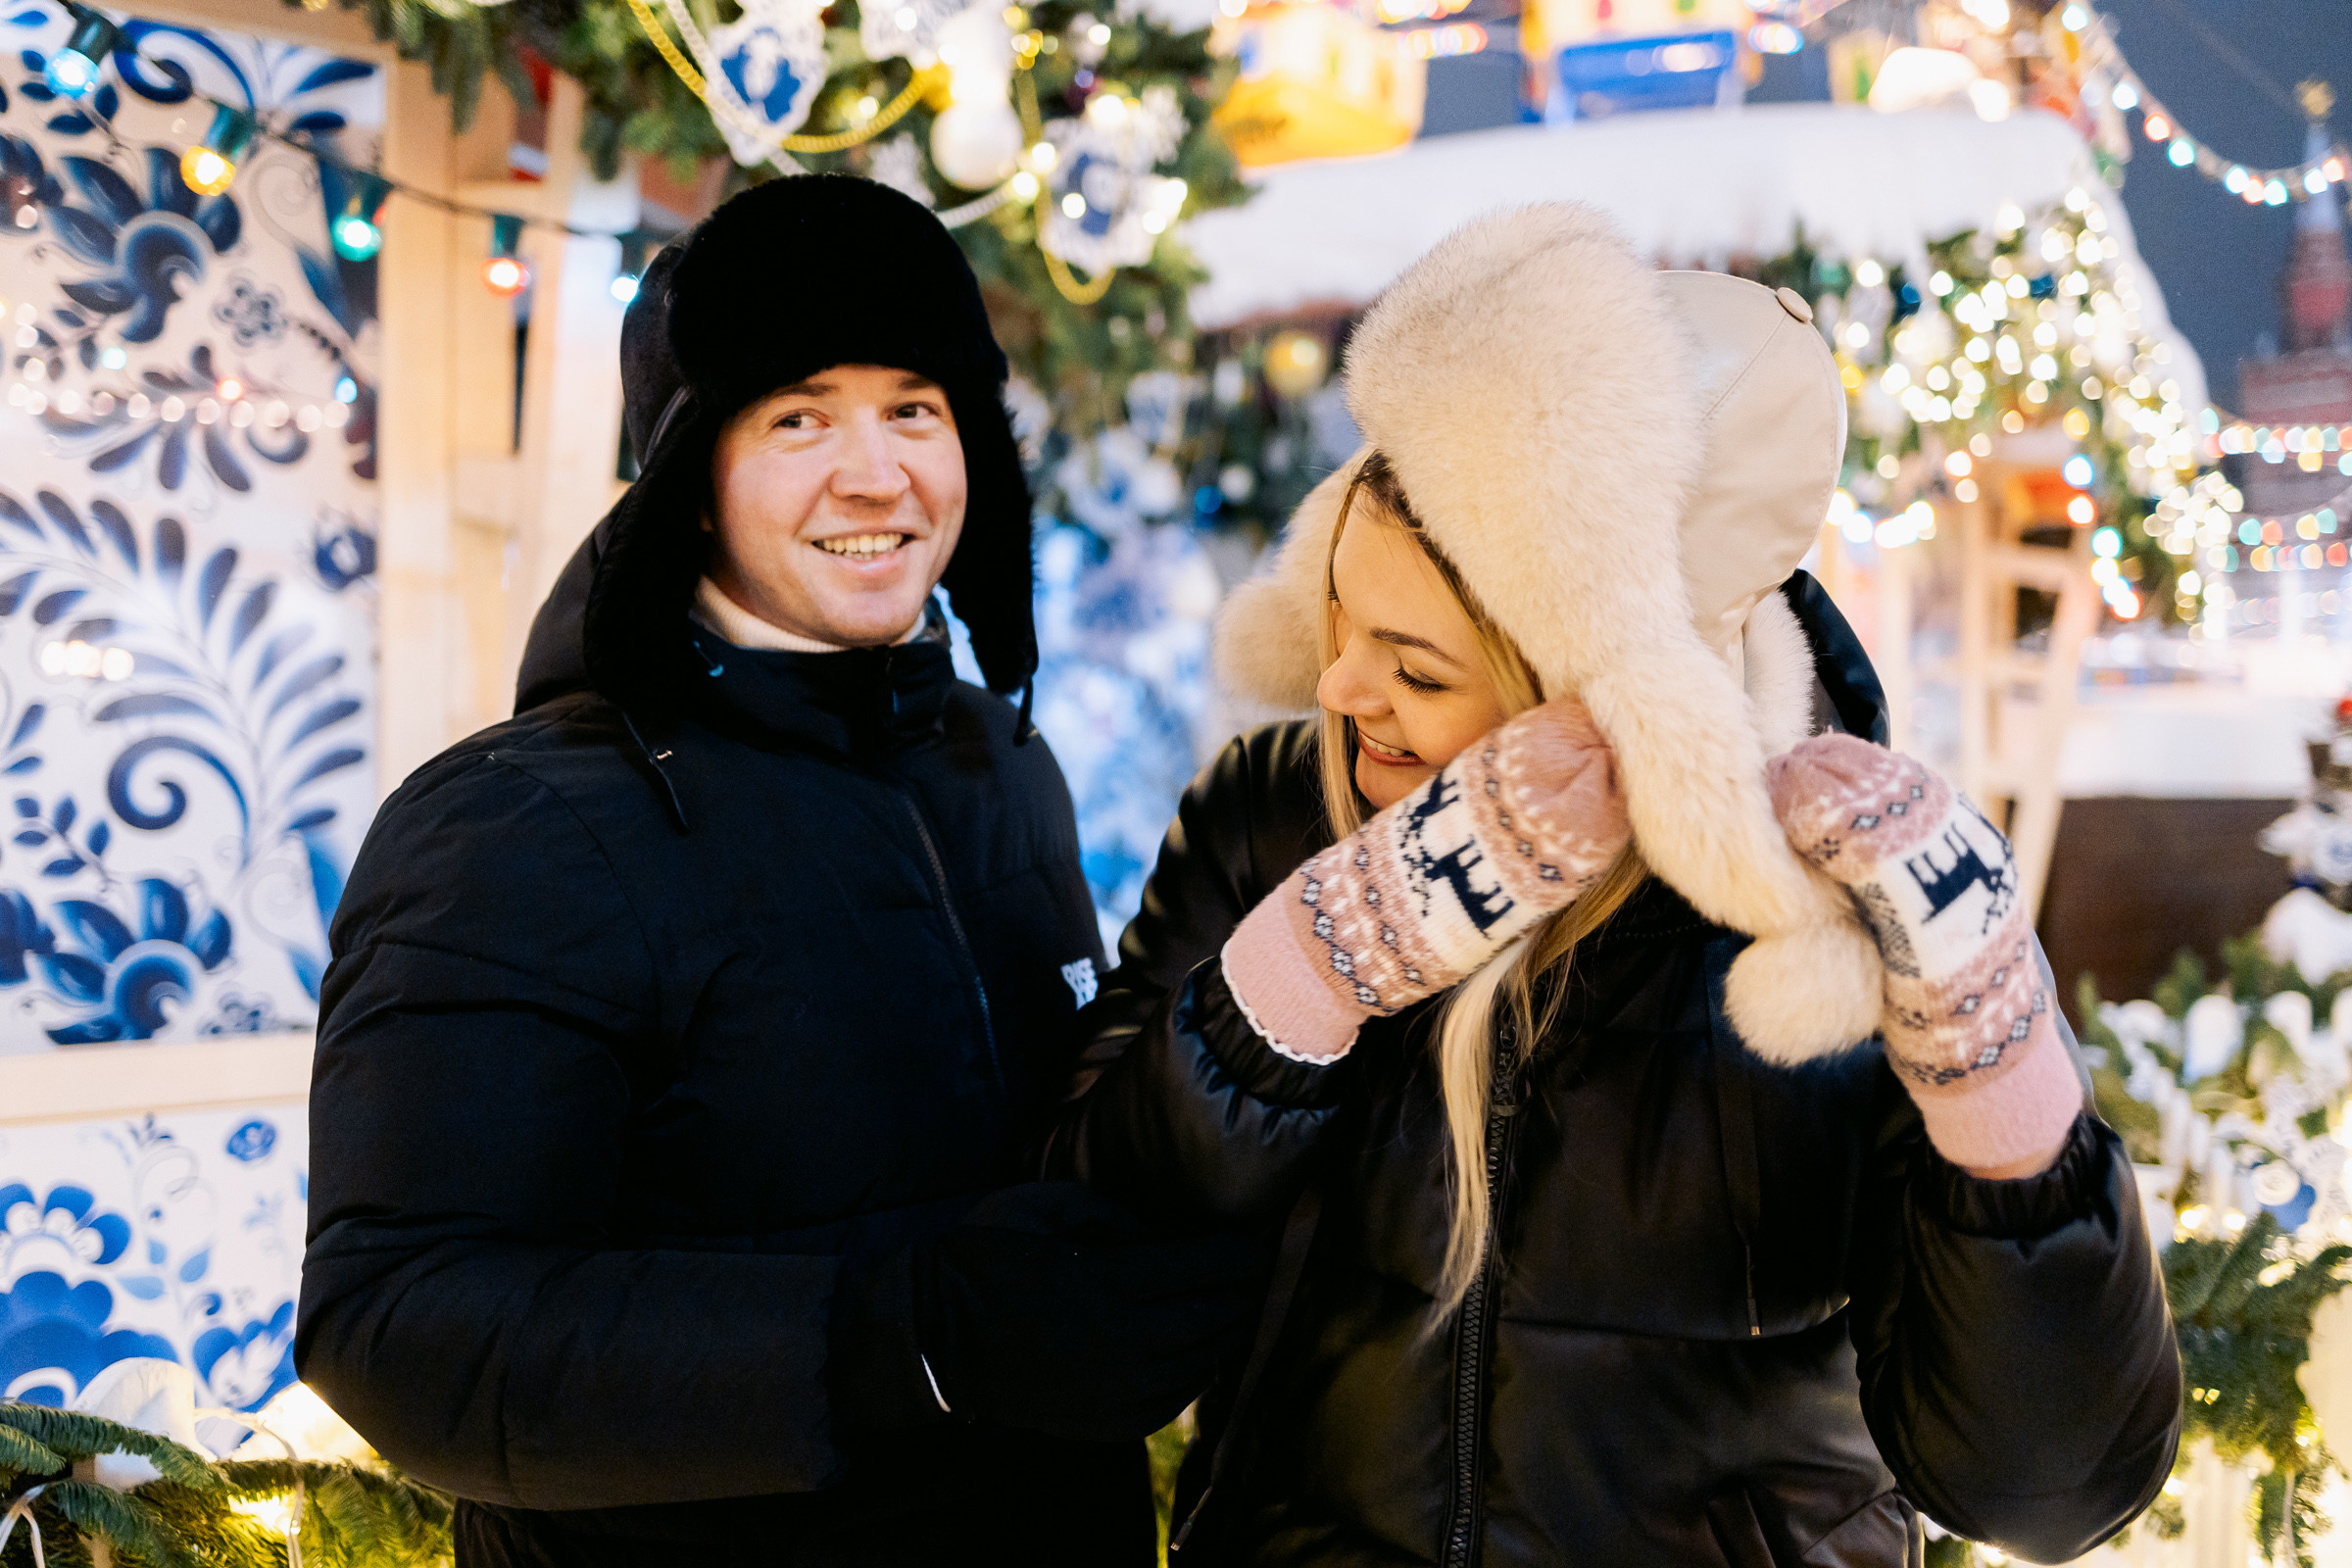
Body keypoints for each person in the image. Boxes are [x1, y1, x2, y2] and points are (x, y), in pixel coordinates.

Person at [1046, 204, 2181, 1566]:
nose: (1343, 690)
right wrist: (1311, 972)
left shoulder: (1859, 919)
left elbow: (2043, 1489)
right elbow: (1082, 1256)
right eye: (1342, 622)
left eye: (1416, 669)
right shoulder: (1279, 817)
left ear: (1597, 690)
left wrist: (2003, 1108)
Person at [297, 175, 1261, 1567]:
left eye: (914, 409)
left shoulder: (997, 762)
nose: (876, 474)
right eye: (798, 415)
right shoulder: (518, 829)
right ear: (693, 477)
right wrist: (905, 1339)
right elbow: (403, 1329)